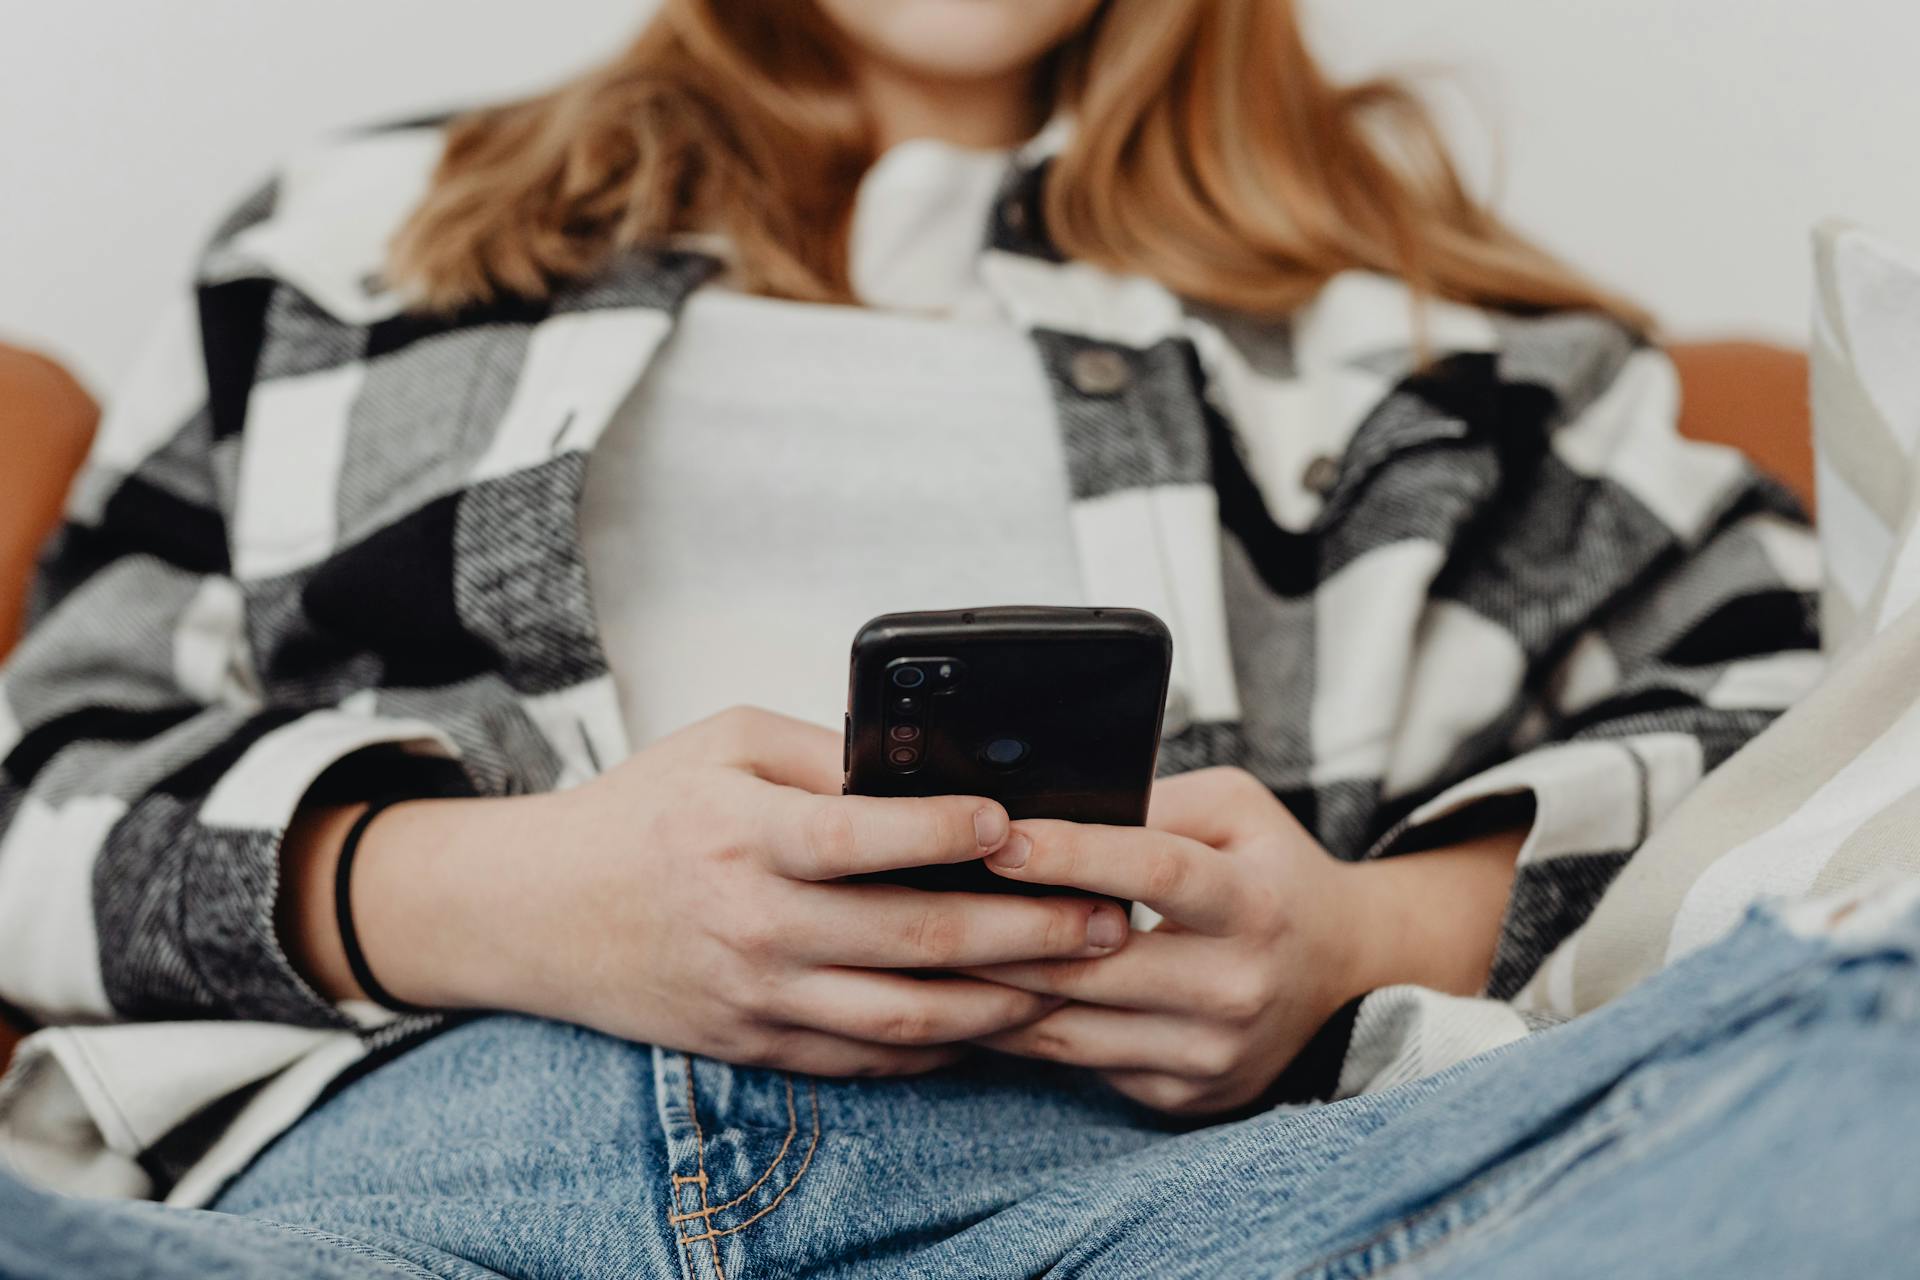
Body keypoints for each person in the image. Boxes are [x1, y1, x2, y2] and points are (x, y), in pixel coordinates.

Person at [2, 1, 1880, 1275]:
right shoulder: (349, 245)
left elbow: (1811, 754)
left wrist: (1352, 942)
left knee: (1865, 1048)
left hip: (1155, 1209)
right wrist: (507, 897)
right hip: (405, 1184)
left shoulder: (1447, 344)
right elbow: (42, 792)